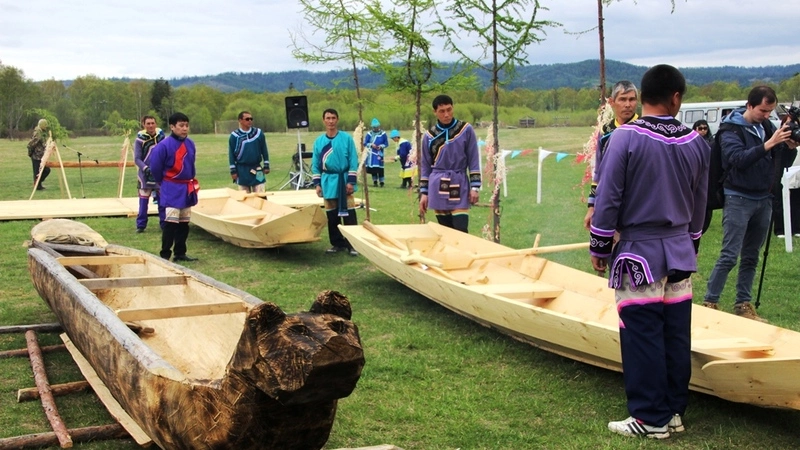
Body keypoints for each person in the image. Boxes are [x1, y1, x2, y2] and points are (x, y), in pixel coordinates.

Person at [590, 64, 708, 439]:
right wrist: (691, 245)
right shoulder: (696, 142)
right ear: (676, 97)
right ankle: (672, 411)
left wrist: (599, 242)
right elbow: (700, 205)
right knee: (675, 333)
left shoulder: (624, 139)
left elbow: (608, 197)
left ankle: (650, 417)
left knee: (642, 334)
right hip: (678, 250)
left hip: (638, 251)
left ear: (641, 97)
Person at [703, 86, 798, 322]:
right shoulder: (730, 130)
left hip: (763, 197)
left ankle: (742, 303)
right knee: (729, 254)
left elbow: (778, 161)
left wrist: (788, 148)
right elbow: (737, 160)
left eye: (770, 112)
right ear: (749, 105)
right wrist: (769, 143)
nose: (767, 116)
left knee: (751, 256)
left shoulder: (765, 127)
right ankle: (710, 301)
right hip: (738, 197)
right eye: (763, 111)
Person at [419, 94, 481, 233]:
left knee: (461, 229)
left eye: (449, 109)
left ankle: (464, 255)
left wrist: (475, 187)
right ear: (435, 112)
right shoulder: (429, 136)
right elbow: (425, 165)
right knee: (445, 231)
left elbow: (473, 158)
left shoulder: (465, 129)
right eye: (442, 111)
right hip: (437, 183)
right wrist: (424, 192)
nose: (446, 114)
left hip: (458, 181)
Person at [583, 81, 639, 229]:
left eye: (632, 99)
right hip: (610, 200)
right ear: (613, 102)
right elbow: (599, 170)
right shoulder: (605, 130)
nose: (628, 104)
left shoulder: (644, 128)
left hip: (638, 203)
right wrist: (591, 206)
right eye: (622, 99)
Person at [149, 112, 200, 262]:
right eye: (181, 125)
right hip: (171, 187)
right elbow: (156, 168)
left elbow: (191, 164)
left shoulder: (190, 144)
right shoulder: (163, 146)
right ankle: (165, 254)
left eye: (186, 125)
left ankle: (180, 252)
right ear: (172, 127)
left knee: (184, 223)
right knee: (170, 223)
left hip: (186, 187)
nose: (184, 129)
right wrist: (163, 184)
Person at [311, 108, 359, 256]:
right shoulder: (319, 142)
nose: (330, 121)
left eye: (333, 118)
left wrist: (350, 181)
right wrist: (318, 184)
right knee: (332, 215)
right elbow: (315, 164)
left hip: (343, 179)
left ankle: (352, 244)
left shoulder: (346, 139)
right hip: (328, 181)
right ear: (323, 120)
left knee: (349, 213)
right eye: (328, 118)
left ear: (337, 119)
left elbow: (353, 160)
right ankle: (337, 243)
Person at [134, 116, 166, 233]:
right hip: (145, 174)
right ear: (144, 125)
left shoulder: (162, 137)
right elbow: (137, 158)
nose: (151, 126)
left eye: (153, 123)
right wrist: (145, 168)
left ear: (156, 124)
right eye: (148, 123)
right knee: (143, 201)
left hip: (160, 173)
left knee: (162, 200)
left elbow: (166, 154)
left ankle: (164, 223)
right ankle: (141, 225)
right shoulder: (139, 140)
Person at [229, 111, 270, 193]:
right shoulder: (234, 136)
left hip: (257, 168)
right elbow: (231, 154)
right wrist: (233, 171)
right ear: (240, 120)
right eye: (247, 119)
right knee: (244, 197)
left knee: (260, 194)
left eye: (251, 119)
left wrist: (266, 165)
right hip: (242, 170)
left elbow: (264, 149)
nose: (250, 121)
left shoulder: (258, 133)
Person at [692, 120, 716, 233]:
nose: (702, 131)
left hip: (708, 177)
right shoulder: (691, 142)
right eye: (700, 128)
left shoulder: (711, 143)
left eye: (705, 128)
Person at [28, 119, 51, 190]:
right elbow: (31, 144)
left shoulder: (42, 132)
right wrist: (31, 153)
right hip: (36, 155)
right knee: (38, 172)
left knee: (45, 170)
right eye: (45, 125)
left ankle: (38, 184)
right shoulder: (38, 133)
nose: (46, 127)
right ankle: (37, 185)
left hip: (41, 155)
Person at [364, 118, 388, 187]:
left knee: (380, 168)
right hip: (371, 154)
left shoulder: (383, 134)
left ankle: (382, 182)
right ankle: (375, 181)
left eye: (377, 127)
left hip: (379, 153)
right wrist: (371, 145)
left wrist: (381, 146)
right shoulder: (369, 134)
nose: (376, 128)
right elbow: (365, 143)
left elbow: (386, 143)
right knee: (373, 169)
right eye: (374, 127)